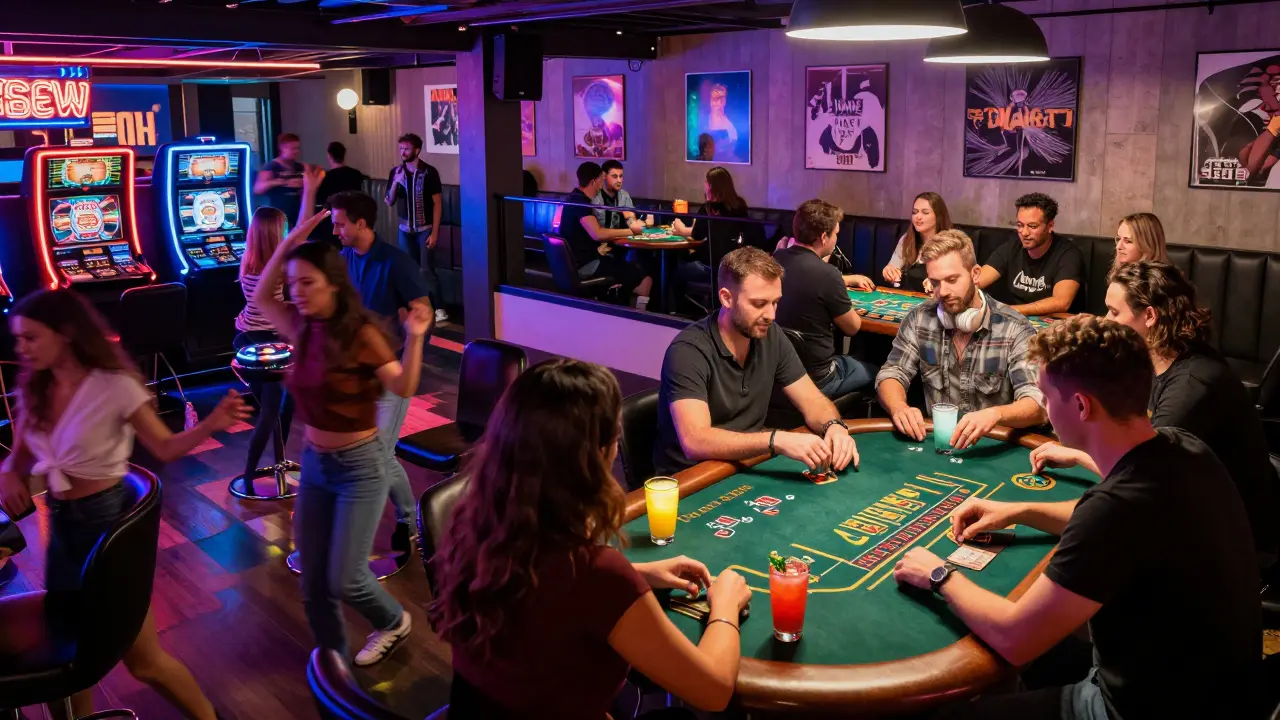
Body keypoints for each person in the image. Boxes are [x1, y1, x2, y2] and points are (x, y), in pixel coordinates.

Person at [894, 315, 1261, 720]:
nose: (1046, 411)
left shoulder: (1114, 508)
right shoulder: (1185, 447)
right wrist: (1018, 510)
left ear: (1082, 406)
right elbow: (1127, 530)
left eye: (1048, 398)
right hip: (1221, 691)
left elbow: (1015, 637)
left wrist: (938, 575)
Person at [430, 358, 752, 718]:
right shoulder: (595, 573)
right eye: (615, 436)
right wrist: (724, 607)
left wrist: (639, 574)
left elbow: (546, 592)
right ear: (597, 455)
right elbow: (713, 690)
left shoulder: (474, 525)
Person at [0, 290, 250, 720]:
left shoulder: (114, 385)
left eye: (30, 339)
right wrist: (8, 474)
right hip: (63, 527)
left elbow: (164, 447)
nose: (20, 349)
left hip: (108, 525)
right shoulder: (35, 388)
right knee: (73, 654)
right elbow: (18, 457)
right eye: (18, 340)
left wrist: (211, 422)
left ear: (65, 334)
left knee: (144, 660)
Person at [252, 207, 432, 666]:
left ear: (333, 282)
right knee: (312, 574)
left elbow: (404, 386)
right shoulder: (302, 327)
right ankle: (332, 659)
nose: (297, 292)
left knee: (346, 577)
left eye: (307, 283)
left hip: (360, 467)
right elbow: (258, 293)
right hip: (314, 465)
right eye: (294, 285)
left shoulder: (362, 333)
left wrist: (415, 338)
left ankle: (393, 620)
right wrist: (294, 237)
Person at [1031, 262, 1279, 569]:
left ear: (1149, 316)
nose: (1105, 320)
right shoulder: (1155, 358)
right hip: (1190, 504)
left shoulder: (1192, 384)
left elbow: (1140, 474)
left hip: (1231, 541)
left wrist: (1076, 456)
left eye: (1114, 312)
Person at [654, 247, 860, 476]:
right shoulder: (688, 351)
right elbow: (695, 441)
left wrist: (834, 426)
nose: (772, 315)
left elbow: (812, 400)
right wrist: (776, 439)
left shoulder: (771, 335)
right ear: (726, 298)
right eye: (759, 304)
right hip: (691, 478)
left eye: (775, 303)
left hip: (743, 466)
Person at [328, 189, 433, 563]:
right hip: (357, 374)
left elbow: (424, 311)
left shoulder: (396, 262)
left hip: (391, 372)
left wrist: (414, 331)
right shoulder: (343, 260)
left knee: (379, 453)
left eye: (340, 224)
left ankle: (410, 522)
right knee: (363, 452)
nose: (335, 230)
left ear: (361, 223)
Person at [876, 230, 1047, 450]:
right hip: (938, 443)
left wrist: (994, 415)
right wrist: (899, 407)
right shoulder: (919, 319)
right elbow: (892, 373)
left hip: (993, 447)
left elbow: (1037, 404)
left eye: (952, 279)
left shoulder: (1014, 328)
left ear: (975, 274)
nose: (943, 291)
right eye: (935, 282)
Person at [774, 199, 878, 398]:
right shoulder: (827, 274)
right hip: (820, 378)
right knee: (878, 373)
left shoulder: (776, 259)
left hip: (778, 373)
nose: (836, 239)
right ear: (823, 237)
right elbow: (852, 327)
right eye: (836, 234)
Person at [234, 206, 296, 490]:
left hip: (247, 337)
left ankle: (279, 459)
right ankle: (249, 473)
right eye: (282, 228)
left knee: (284, 404)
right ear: (275, 233)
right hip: (266, 344)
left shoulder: (249, 259)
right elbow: (277, 308)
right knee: (272, 411)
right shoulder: (279, 269)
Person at [558, 161, 653, 307]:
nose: (601, 185)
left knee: (632, 272)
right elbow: (598, 233)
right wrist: (631, 231)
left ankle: (616, 298)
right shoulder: (580, 202)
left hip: (578, 263)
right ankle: (637, 317)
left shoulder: (575, 198)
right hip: (585, 266)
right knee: (644, 278)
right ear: (593, 181)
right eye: (601, 180)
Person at [978, 193, 1083, 316]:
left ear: (1050, 226)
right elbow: (978, 281)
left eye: (1032, 226)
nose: (1024, 232)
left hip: (1056, 325)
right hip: (1017, 320)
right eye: (1020, 225)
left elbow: (1061, 302)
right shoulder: (1012, 247)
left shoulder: (1068, 254)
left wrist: (1008, 310)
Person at [669, 167, 761, 300]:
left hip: (708, 268)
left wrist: (681, 228)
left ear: (711, 186)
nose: (704, 185)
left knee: (675, 272)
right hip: (732, 267)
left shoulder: (708, 208)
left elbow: (697, 235)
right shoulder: (739, 206)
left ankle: (673, 312)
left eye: (706, 182)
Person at [385, 132, 447, 323]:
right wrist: (396, 182)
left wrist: (435, 232)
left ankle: (439, 309)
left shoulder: (429, 172)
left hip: (425, 229)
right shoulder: (396, 172)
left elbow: (437, 203)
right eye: (401, 148)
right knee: (408, 270)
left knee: (427, 270)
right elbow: (389, 201)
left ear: (417, 150)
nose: (403, 152)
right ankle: (415, 307)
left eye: (407, 148)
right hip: (405, 230)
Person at [882, 191, 953, 293]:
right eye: (915, 212)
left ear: (938, 216)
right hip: (908, 299)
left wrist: (938, 283)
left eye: (925, 212)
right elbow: (893, 266)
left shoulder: (951, 243)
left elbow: (955, 280)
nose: (918, 217)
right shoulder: (907, 239)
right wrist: (889, 271)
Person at [312, 141, 366, 242]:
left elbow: (319, 201)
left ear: (329, 155)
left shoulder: (326, 178)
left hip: (333, 222)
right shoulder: (356, 174)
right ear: (344, 154)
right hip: (354, 218)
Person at [254, 132, 307, 224]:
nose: (296, 151)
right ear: (283, 148)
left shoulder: (299, 167)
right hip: (278, 216)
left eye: (298, 148)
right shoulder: (271, 166)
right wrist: (282, 182)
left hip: (298, 216)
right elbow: (257, 188)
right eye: (293, 148)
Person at [593, 159, 639, 231]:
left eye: (621, 176)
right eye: (615, 176)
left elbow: (631, 222)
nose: (619, 180)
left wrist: (631, 220)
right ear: (604, 175)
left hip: (619, 239)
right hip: (599, 239)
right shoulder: (595, 196)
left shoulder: (624, 195)